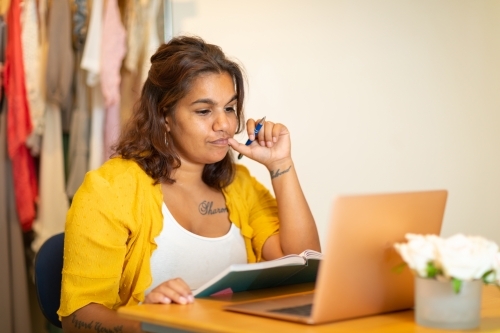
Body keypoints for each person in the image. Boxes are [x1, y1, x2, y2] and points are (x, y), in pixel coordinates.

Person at [58, 35, 321, 333]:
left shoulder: (241, 186)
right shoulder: (108, 190)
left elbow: (303, 264)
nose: (224, 125)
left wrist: (280, 165)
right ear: (164, 115)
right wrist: (148, 322)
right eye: (204, 111)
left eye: (230, 108)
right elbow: (75, 318)